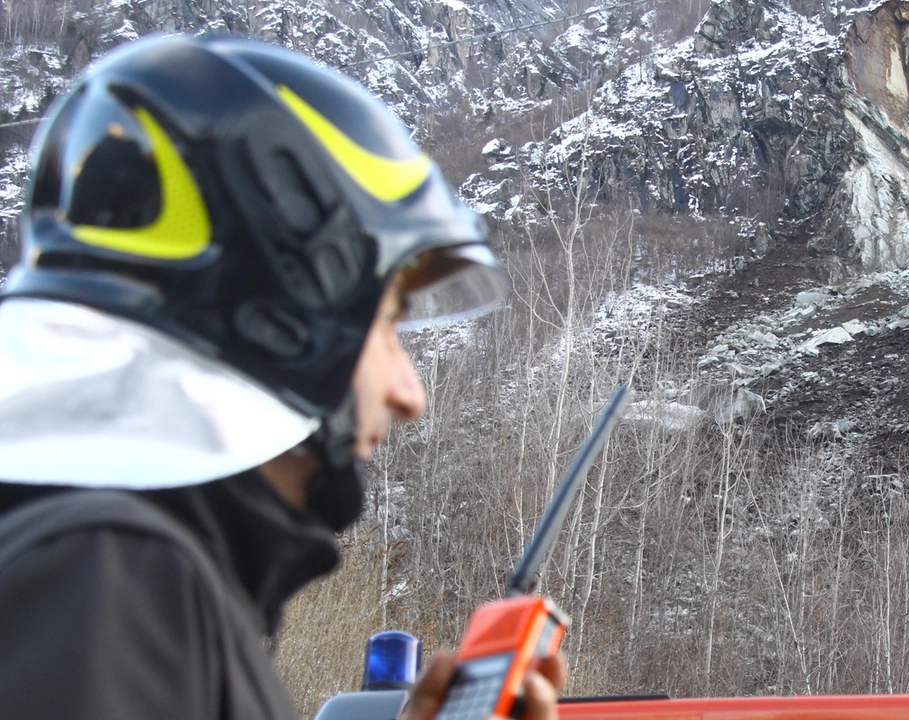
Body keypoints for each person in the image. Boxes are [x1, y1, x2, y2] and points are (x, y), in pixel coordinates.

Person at [0, 35, 565, 719]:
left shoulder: (96, 566)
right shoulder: (111, 575)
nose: (409, 394)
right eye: (388, 322)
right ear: (281, 322)